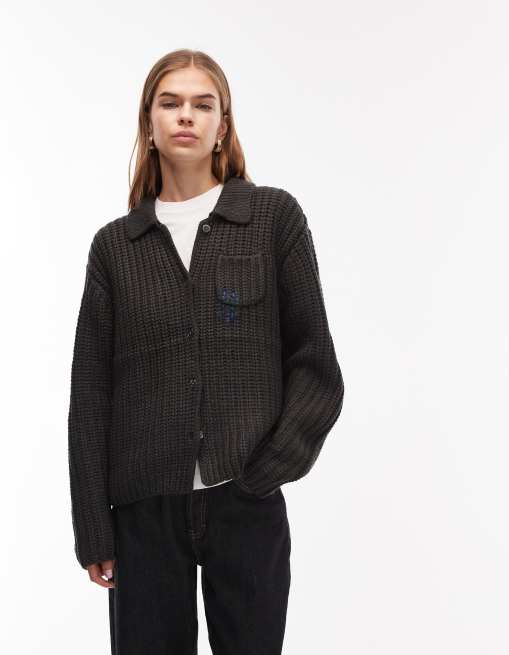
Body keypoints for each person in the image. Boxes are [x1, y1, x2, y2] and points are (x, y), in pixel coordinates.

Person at [67, 48, 344, 655]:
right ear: (149, 123)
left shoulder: (271, 218)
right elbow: (89, 397)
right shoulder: (116, 247)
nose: (186, 115)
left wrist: (265, 472)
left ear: (223, 125)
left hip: (245, 502)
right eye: (170, 103)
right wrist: (94, 527)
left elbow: (316, 364)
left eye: (202, 104)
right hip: (142, 513)